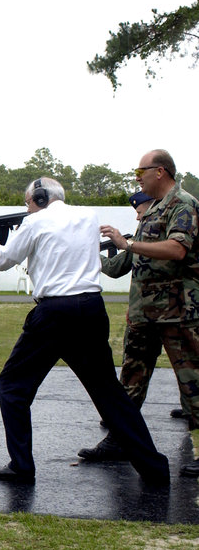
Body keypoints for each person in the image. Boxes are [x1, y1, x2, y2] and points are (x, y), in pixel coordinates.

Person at [0, 177, 169, 486]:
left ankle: (21, 466)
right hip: (91, 308)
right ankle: (154, 468)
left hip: (55, 312)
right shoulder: (87, 217)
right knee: (109, 393)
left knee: (13, 386)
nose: (27, 208)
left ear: (41, 199)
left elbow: (3, 260)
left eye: (29, 202)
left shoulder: (36, 222)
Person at [94, 150, 199, 479]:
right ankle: (120, 441)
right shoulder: (150, 210)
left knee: (192, 382)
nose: (137, 176)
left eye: (142, 170)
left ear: (161, 171)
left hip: (176, 312)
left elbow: (176, 249)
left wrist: (128, 245)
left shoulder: (183, 204)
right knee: (130, 382)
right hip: (144, 314)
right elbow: (127, 264)